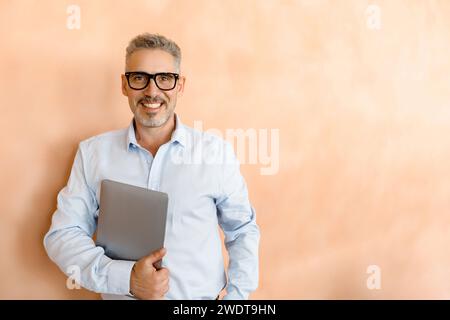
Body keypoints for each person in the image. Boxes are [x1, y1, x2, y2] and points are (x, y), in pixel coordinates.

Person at [43, 33, 260, 300]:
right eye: (139, 78)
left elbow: (242, 230)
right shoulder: (92, 154)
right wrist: (127, 279)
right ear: (124, 85)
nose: (152, 91)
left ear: (180, 86)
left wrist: (236, 298)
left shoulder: (215, 153)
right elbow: (62, 236)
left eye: (165, 78)